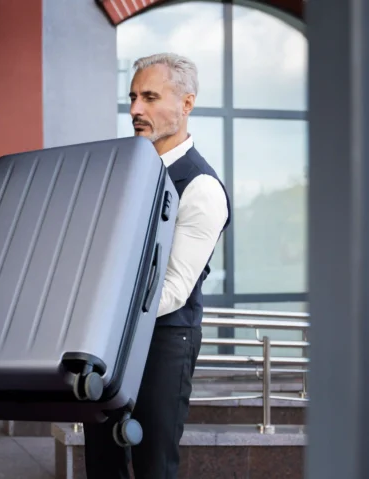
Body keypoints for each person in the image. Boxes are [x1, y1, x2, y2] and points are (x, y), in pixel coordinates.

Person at [83, 53, 232, 479]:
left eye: (149, 97)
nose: (134, 110)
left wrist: (102, 318)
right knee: (102, 463)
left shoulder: (201, 187)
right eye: (132, 97)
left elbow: (173, 289)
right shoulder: (128, 173)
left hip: (166, 341)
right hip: (112, 343)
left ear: (187, 104)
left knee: (153, 466)